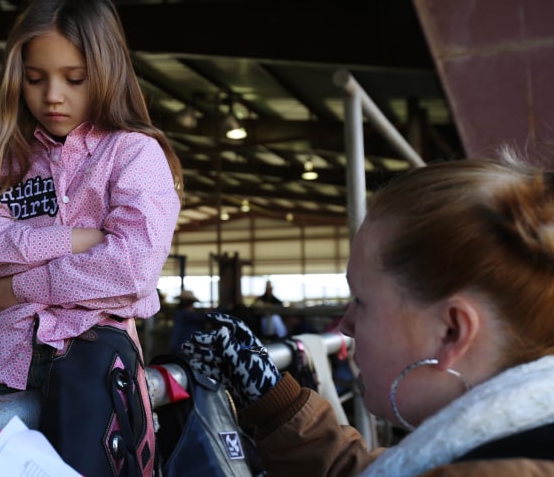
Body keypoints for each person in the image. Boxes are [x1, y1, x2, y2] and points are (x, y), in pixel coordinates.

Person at [0, 0, 181, 477]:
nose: (53, 96)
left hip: (91, 358)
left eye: (74, 78)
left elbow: (131, 268)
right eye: (35, 78)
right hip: (3, 360)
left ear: (106, 73)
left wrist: (19, 285)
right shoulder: (6, 158)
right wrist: (74, 241)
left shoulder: (133, 154)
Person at [182, 155, 554, 476]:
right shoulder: (513, 446)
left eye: (361, 300)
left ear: (451, 331)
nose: (345, 325)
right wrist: (276, 401)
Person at [167, 289, 208, 354]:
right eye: (191, 303)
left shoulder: (180, 313)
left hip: (179, 345)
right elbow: (202, 318)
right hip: (182, 346)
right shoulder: (185, 314)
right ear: (187, 303)